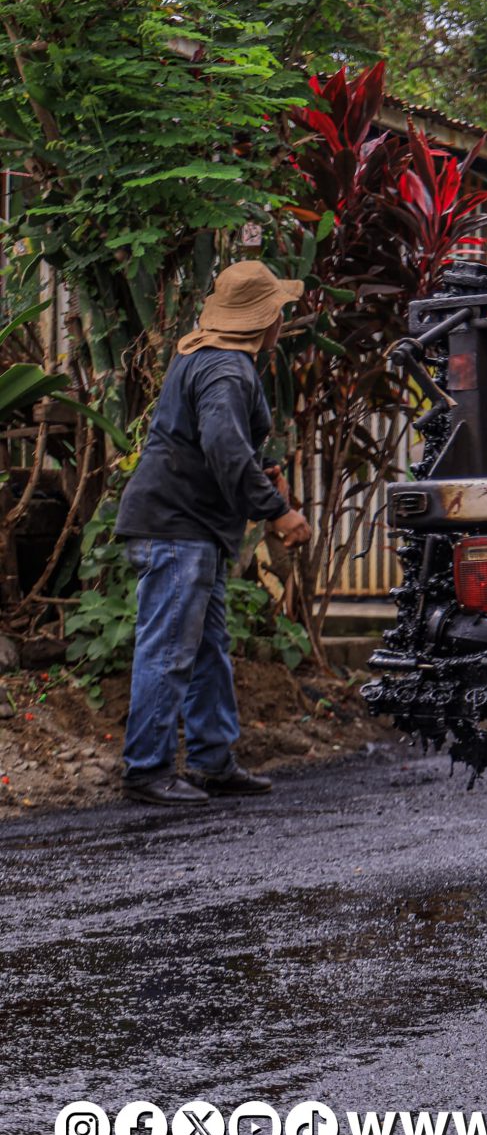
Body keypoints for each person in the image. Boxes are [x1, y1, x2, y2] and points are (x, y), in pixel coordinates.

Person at [114, 262, 313, 806]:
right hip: (177, 526)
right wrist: (277, 512)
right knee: (170, 650)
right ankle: (147, 770)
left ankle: (212, 761)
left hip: (188, 526)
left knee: (205, 650)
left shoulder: (205, 355)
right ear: (266, 319)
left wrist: (262, 470)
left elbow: (218, 440)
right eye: (278, 311)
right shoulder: (226, 368)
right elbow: (223, 446)